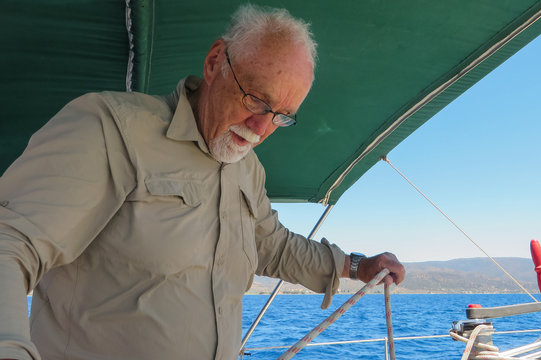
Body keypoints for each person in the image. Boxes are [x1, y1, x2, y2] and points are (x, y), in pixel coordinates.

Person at [0, 4, 405, 360]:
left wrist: (354, 265)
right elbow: (10, 243)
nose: (261, 128)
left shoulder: (249, 169)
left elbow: (272, 245)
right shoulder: (111, 128)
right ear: (215, 63)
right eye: (256, 100)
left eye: (281, 116)